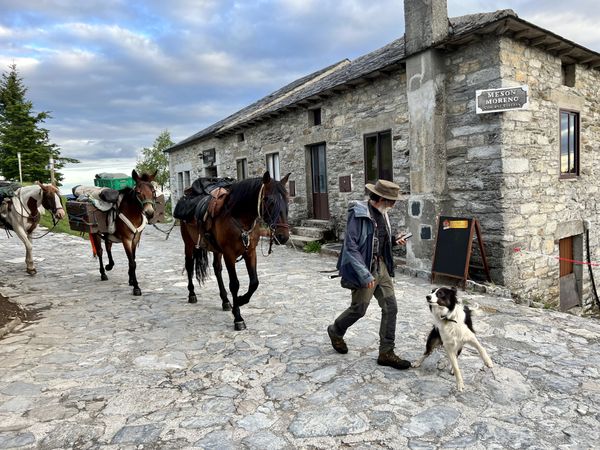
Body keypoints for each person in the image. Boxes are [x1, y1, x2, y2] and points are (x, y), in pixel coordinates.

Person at [327, 179, 411, 370]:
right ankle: (335, 330)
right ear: (381, 198)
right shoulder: (358, 213)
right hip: (364, 269)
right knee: (359, 310)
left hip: (381, 266)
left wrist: (393, 240)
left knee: (391, 307)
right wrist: (365, 276)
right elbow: (351, 247)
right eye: (392, 201)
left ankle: (386, 352)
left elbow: (376, 238)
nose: (394, 205)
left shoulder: (383, 213)